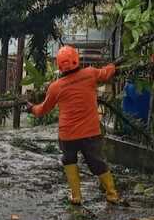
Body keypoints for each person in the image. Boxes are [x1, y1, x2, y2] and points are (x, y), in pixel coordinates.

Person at [27, 45, 121, 206]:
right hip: (90, 133)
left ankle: (76, 196)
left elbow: (42, 110)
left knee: (69, 160)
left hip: (67, 135)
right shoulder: (90, 74)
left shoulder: (55, 87)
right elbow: (106, 73)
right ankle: (112, 194)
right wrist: (114, 66)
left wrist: (31, 108)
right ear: (77, 60)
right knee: (97, 162)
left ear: (59, 66)